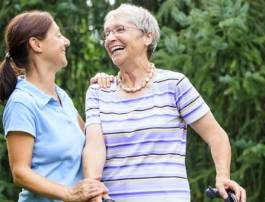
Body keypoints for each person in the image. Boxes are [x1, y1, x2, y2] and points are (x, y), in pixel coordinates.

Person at [84, 3, 246, 202]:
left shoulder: (174, 84)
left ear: (148, 36)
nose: (110, 38)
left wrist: (223, 177)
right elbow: (94, 147)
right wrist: (93, 189)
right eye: (107, 33)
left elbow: (216, 136)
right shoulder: (98, 92)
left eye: (120, 29)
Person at [0, 11, 107, 201]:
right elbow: (20, 172)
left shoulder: (62, 96)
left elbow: (91, 140)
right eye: (58, 35)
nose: (66, 41)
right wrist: (69, 193)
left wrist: (107, 90)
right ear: (36, 44)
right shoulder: (21, 103)